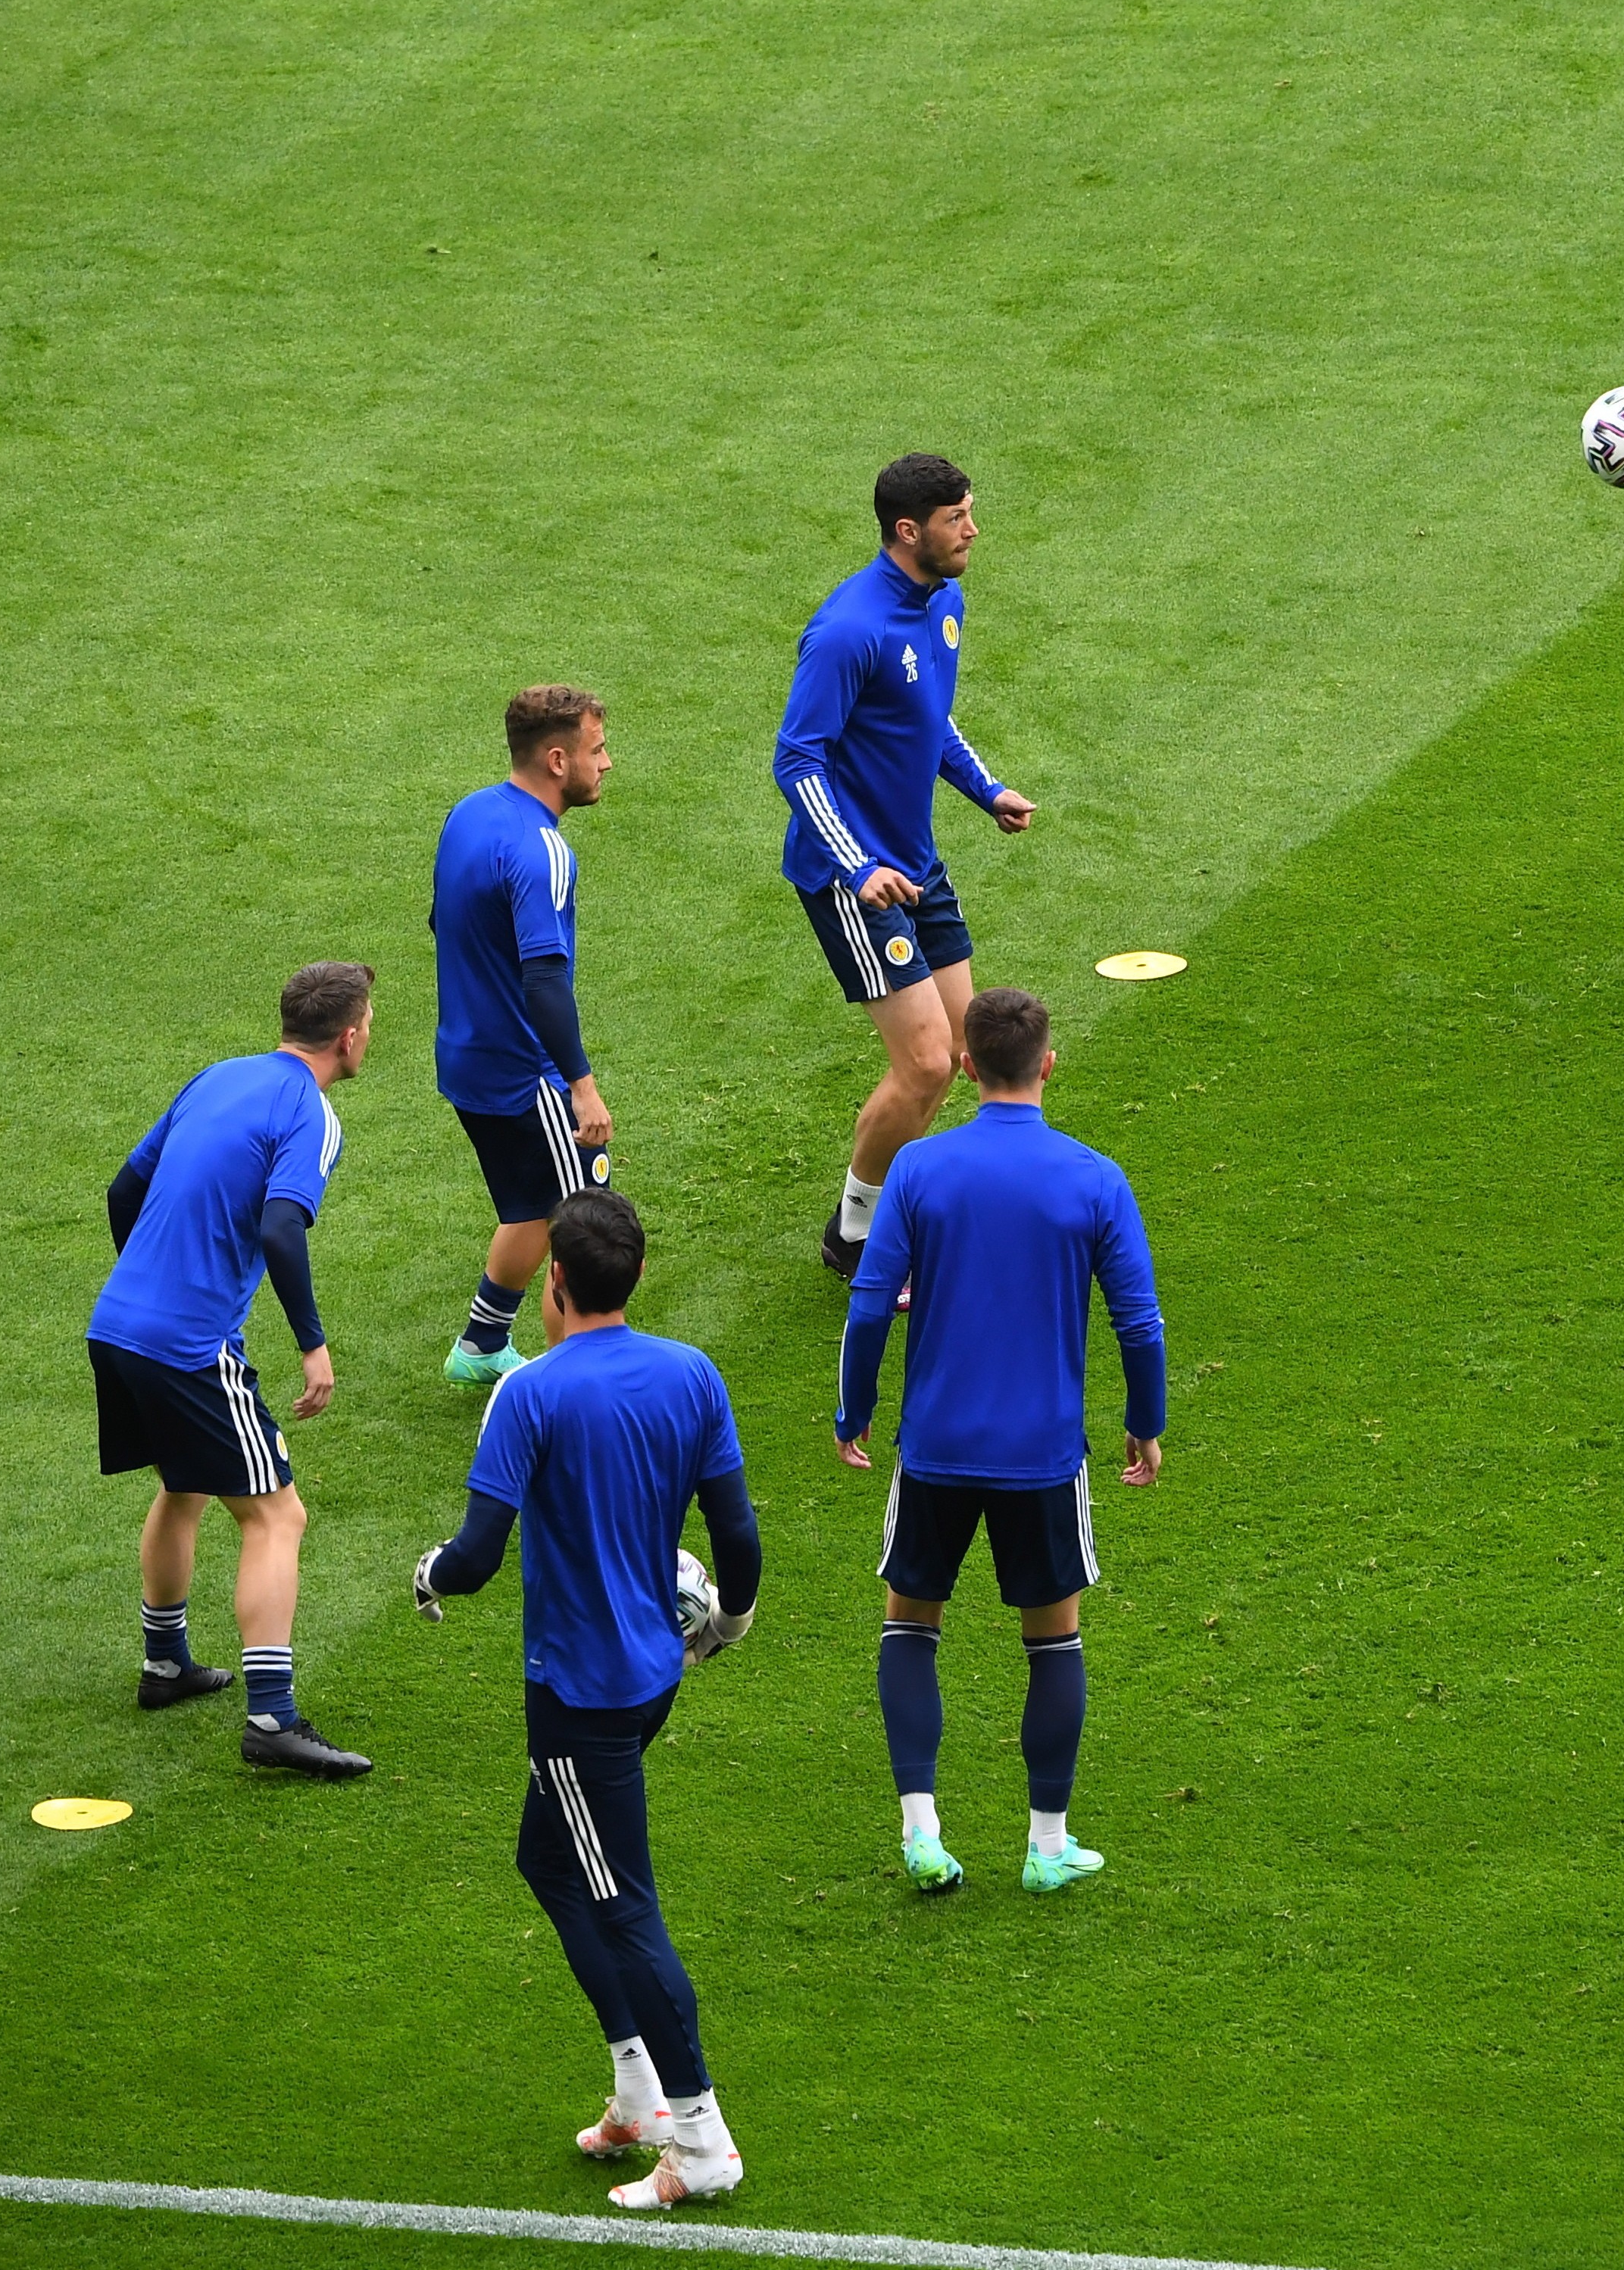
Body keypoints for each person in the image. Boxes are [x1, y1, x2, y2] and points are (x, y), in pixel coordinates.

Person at [414, 1188, 758, 2211]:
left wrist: (429, 1571)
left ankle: (700, 2140)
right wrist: (728, 1623)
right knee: (549, 1859)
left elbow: (478, 1556)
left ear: (553, 1281)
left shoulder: (529, 1394)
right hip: (653, 1676)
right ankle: (637, 2089)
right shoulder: (691, 1373)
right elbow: (736, 1533)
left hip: (580, 1697)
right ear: (637, 1274)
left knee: (621, 1903)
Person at [835, 988, 1164, 1895]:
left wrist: (854, 1407)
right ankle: (1046, 1845)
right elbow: (1139, 1321)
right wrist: (1146, 1422)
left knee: (910, 1623)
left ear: (968, 1065)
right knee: (1053, 1640)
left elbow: (871, 1303)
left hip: (936, 1445)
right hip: (1043, 1455)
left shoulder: (918, 1169)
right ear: (1048, 1064)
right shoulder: (1094, 1177)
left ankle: (922, 1832)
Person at [88, 962, 374, 1778]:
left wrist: (154, 1278)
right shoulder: (311, 1112)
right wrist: (313, 1344)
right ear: (349, 1035)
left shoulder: (216, 1076)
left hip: (117, 1322)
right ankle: (273, 1719)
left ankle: (166, 1662)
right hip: (187, 1343)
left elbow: (124, 1189)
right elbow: (282, 1227)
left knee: (184, 1485)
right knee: (278, 1516)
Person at [779, 451, 1039, 1277]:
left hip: (915, 862)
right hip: (852, 877)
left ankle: (897, 1210)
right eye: (956, 518)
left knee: (966, 1049)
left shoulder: (944, 601)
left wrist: (987, 789)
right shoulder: (847, 631)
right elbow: (798, 760)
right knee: (925, 1061)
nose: (973, 530)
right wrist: (858, 866)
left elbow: (929, 717)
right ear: (907, 530)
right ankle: (856, 1234)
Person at [431, 684, 618, 1386]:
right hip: (525, 1075)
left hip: (465, 1059)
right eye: (597, 750)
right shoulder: (543, 850)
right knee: (586, 1224)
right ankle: (573, 1392)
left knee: (532, 1203)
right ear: (558, 760)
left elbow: (442, 922)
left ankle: (481, 1345)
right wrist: (581, 1086)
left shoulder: (468, 813)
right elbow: (544, 982)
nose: (607, 763)